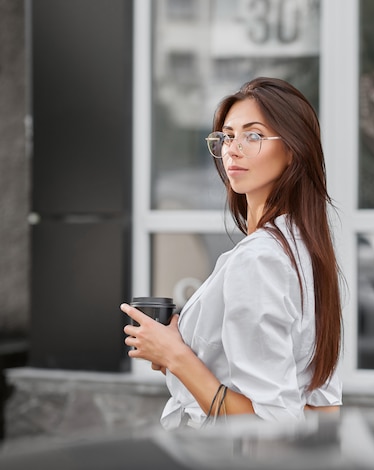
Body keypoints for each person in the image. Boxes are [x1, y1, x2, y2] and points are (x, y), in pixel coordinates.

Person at [121, 77, 343, 428]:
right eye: (226, 136)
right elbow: (322, 405)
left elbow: (271, 424)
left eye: (253, 136)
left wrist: (176, 356)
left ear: (292, 150)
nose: (232, 149)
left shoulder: (260, 258)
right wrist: (180, 349)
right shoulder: (306, 248)